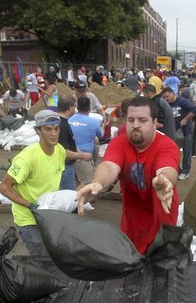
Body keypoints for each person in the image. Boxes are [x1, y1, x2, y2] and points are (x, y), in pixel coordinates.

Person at [76, 96, 179, 254]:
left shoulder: (167, 146)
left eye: (142, 120)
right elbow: (109, 166)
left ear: (155, 122)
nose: (135, 125)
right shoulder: (119, 143)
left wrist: (164, 179)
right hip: (131, 224)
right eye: (130, 120)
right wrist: (98, 182)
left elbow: (168, 168)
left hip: (162, 227)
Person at [0, 110, 67, 265]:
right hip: (29, 219)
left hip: (48, 215)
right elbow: (4, 187)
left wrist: (81, 156)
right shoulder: (26, 158)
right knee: (43, 260)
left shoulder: (60, 151)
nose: (53, 133)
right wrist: (30, 205)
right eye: (48, 129)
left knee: (54, 254)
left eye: (56, 128)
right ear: (37, 130)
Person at [57, 94, 93, 190]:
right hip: (65, 167)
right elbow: (62, 151)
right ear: (69, 107)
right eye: (74, 106)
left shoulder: (63, 121)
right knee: (67, 195)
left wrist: (80, 153)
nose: (75, 109)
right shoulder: (62, 125)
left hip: (68, 166)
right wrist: (82, 156)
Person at [161, 87, 196, 180]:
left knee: (187, 152)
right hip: (174, 132)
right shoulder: (167, 105)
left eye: (167, 97)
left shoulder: (182, 101)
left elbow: (194, 110)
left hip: (186, 131)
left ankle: (186, 171)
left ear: (173, 94)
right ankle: (178, 170)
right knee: (174, 151)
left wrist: (185, 119)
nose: (166, 99)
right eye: (164, 98)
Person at [69, 97, 105, 188]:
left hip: (69, 155)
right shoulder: (94, 122)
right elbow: (101, 135)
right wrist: (104, 125)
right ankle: (73, 199)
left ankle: (74, 194)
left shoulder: (69, 120)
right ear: (89, 109)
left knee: (76, 181)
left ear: (77, 107)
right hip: (83, 157)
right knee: (87, 183)